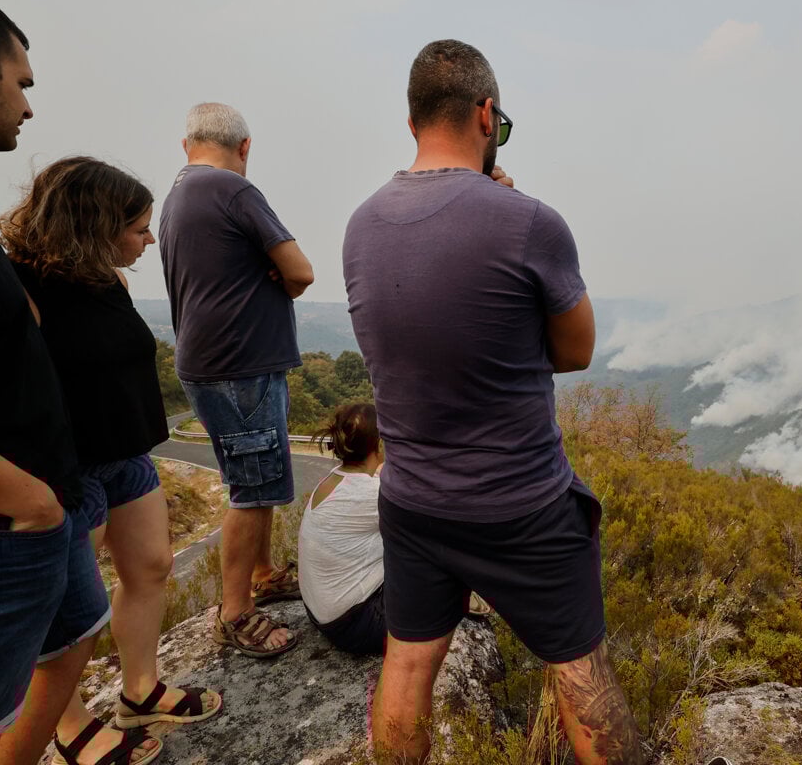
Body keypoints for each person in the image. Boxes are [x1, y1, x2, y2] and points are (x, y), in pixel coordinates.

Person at [343, 39, 641, 764]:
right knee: (578, 670)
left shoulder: (361, 224)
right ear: (486, 114)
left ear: (412, 121)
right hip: (521, 502)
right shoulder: (529, 222)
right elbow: (575, 352)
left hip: (412, 498)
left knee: (409, 665)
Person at [2, 157, 223, 764]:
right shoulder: (22, 287)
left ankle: (140, 688)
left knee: (151, 567)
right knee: (68, 618)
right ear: (96, 224)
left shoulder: (111, 280)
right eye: (140, 227)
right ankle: (67, 725)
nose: (149, 238)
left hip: (128, 457)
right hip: (69, 471)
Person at [0, 0, 117, 765]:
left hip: (48, 498)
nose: (30, 104)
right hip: (12, 518)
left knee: (71, 642)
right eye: (20, 80)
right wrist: (25, 503)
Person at [159, 102, 314, 658]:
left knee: (257, 479)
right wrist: (273, 272)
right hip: (240, 364)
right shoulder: (234, 191)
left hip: (208, 361)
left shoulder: (178, 194)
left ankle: (266, 573)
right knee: (254, 490)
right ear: (245, 148)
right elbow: (300, 272)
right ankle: (236, 612)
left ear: (187, 145)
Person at [299, 404, 387, 655]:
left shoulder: (334, 480)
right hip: (358, 626)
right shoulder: (370, 494)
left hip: (325, 615)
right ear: (379, 445)